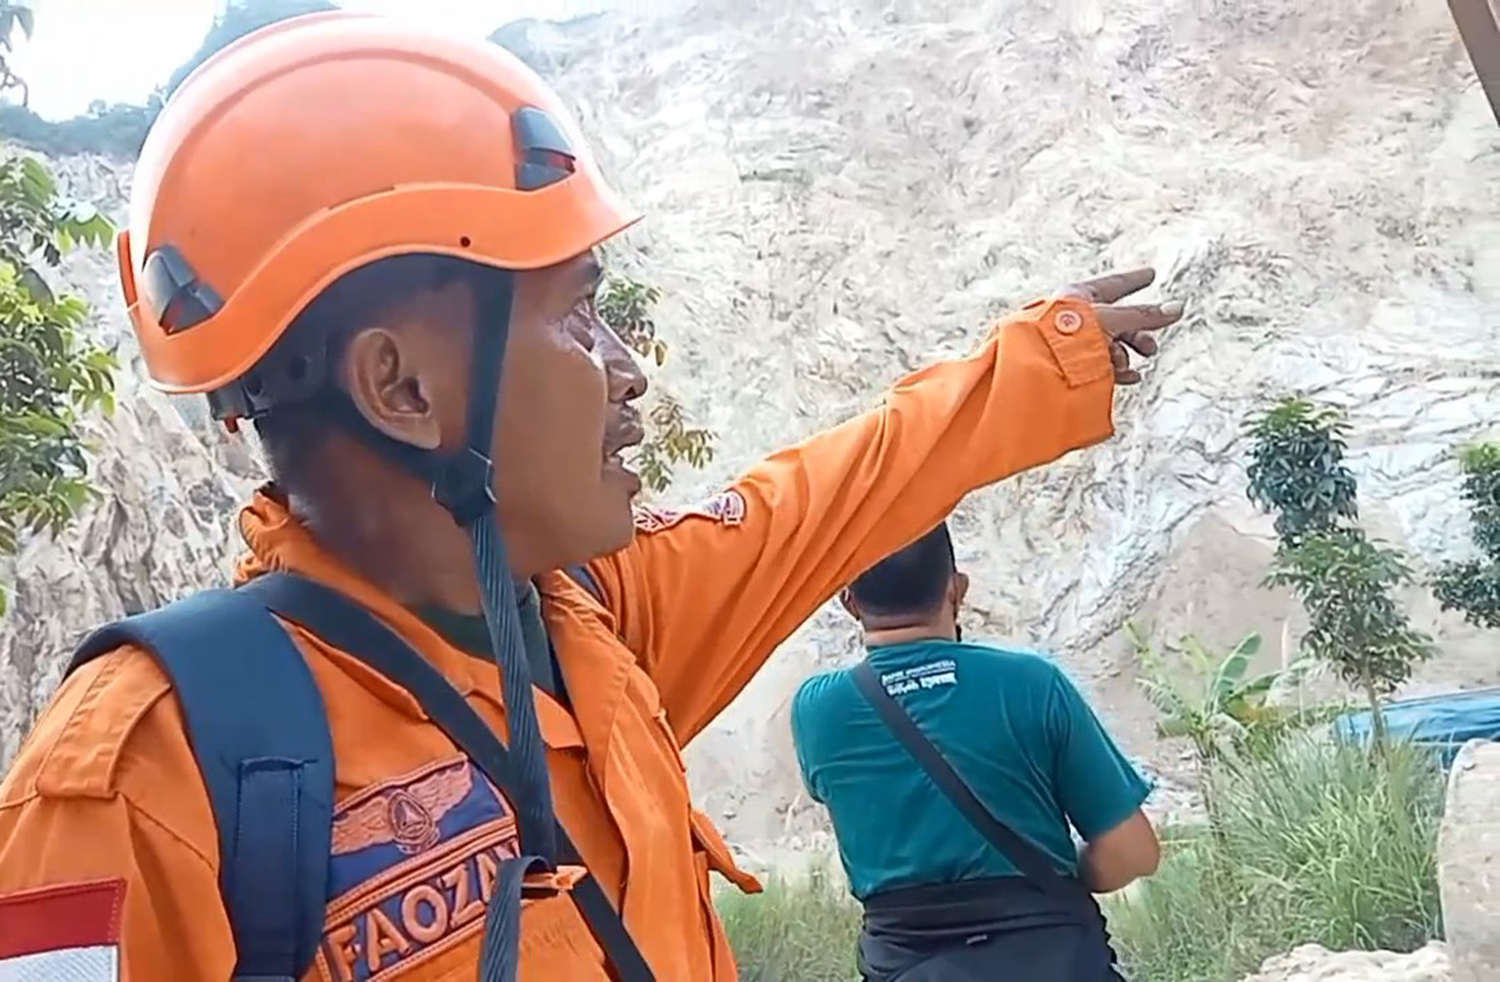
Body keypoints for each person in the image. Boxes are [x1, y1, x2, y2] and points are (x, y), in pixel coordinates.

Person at [0, 11, 1180, 982]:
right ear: (401, 387)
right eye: (577, 309)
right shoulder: (138, 780)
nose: (629, 368)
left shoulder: (595, 623)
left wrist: (1042, 358)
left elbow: (830, 495)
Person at [791, 521, 1161, 981]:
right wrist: (1050, 885)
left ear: (848, 601)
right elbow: (1134, 852)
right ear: (957, 590)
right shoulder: (1033, 685)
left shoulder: (817, 710)